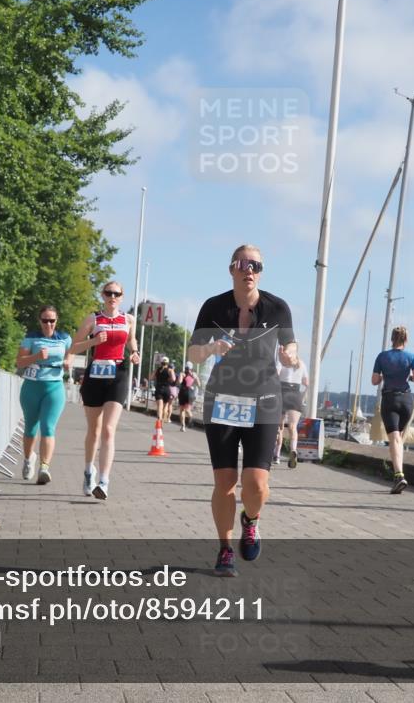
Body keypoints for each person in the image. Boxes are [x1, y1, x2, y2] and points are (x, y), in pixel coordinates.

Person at [187, 245, 297, 578]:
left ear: (260, 272)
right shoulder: (214, 307)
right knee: (225, 481)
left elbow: (290, 344)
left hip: (264, 399)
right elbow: (193, 353)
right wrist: (211, 348)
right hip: (222, 399)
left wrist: (290, 355)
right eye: (243, 264)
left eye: (256, 265)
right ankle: (225, 549)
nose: (249, 270)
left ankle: (250, 520)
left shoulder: (278, 308)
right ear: (232, 268)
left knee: (257, 485)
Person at [68, 282, 140, 500]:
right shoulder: (93, 319)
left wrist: (135, 352)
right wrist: (93, 341)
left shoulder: (128, 319)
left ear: (122, 297)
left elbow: (131, 340)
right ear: (102, 295)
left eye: (116, 293)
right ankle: (88, 471)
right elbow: (73, 347)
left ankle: (104, 481)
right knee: (94, 430)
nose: (112, 296)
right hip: (95, 375)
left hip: (118, 374)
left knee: (109, 429)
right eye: (108, 293)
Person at [15, 306, 71, 485]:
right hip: (32, 387)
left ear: (56, 321)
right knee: (31, 428)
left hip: (54, 388)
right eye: (45, 320)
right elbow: (19, 362)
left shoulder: (64, 338)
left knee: (48, 427)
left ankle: (44, 467)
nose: (48, 324)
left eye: (52, 320)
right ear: (39, 321)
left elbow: (71, 354)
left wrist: (68, 362)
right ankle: (28, 459)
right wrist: (36, 356)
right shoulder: (31, 338)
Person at [370, 326, 414, 494]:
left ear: (392, 339)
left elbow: (374, 380)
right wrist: (408, 377)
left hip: (390, 399)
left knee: (394, 439)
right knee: (399, 438)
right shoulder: (411, 357)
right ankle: (399, 474)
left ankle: (399, 475)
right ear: (406, 340)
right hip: (406, 400)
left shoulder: (382, 356)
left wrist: (385, 375)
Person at [275, 350, 308, 468]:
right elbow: (307, 383)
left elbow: (276, 375)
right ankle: (293, 449)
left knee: (279, 427)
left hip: (282, 393)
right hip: (296, 395)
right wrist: (302, 397)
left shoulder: (281, 362)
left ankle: (276, 455)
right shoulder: (301, 363)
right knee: (293, 427)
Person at [151, 357, 176, 424]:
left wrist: (157, 377)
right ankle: (163, 419)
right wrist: (168, 379)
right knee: (165, 406)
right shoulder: (170, 370)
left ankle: (159, 420)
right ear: (167, 363)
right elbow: (173, 379)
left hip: (159, 389)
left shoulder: (157, 370)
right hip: (166, 389)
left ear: (161, 363)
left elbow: (151, 377)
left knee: (160, 406)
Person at [176, 362, 198, 431]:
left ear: (185, 367)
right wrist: (194, 378)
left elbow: (179, 382)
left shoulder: (182, 374)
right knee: (187, 409)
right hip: (190, 393)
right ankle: (191, 418)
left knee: (182, 410)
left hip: (183, 392)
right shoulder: (194, 374)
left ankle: (183, 426)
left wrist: (180, 377)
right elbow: (199, 384)